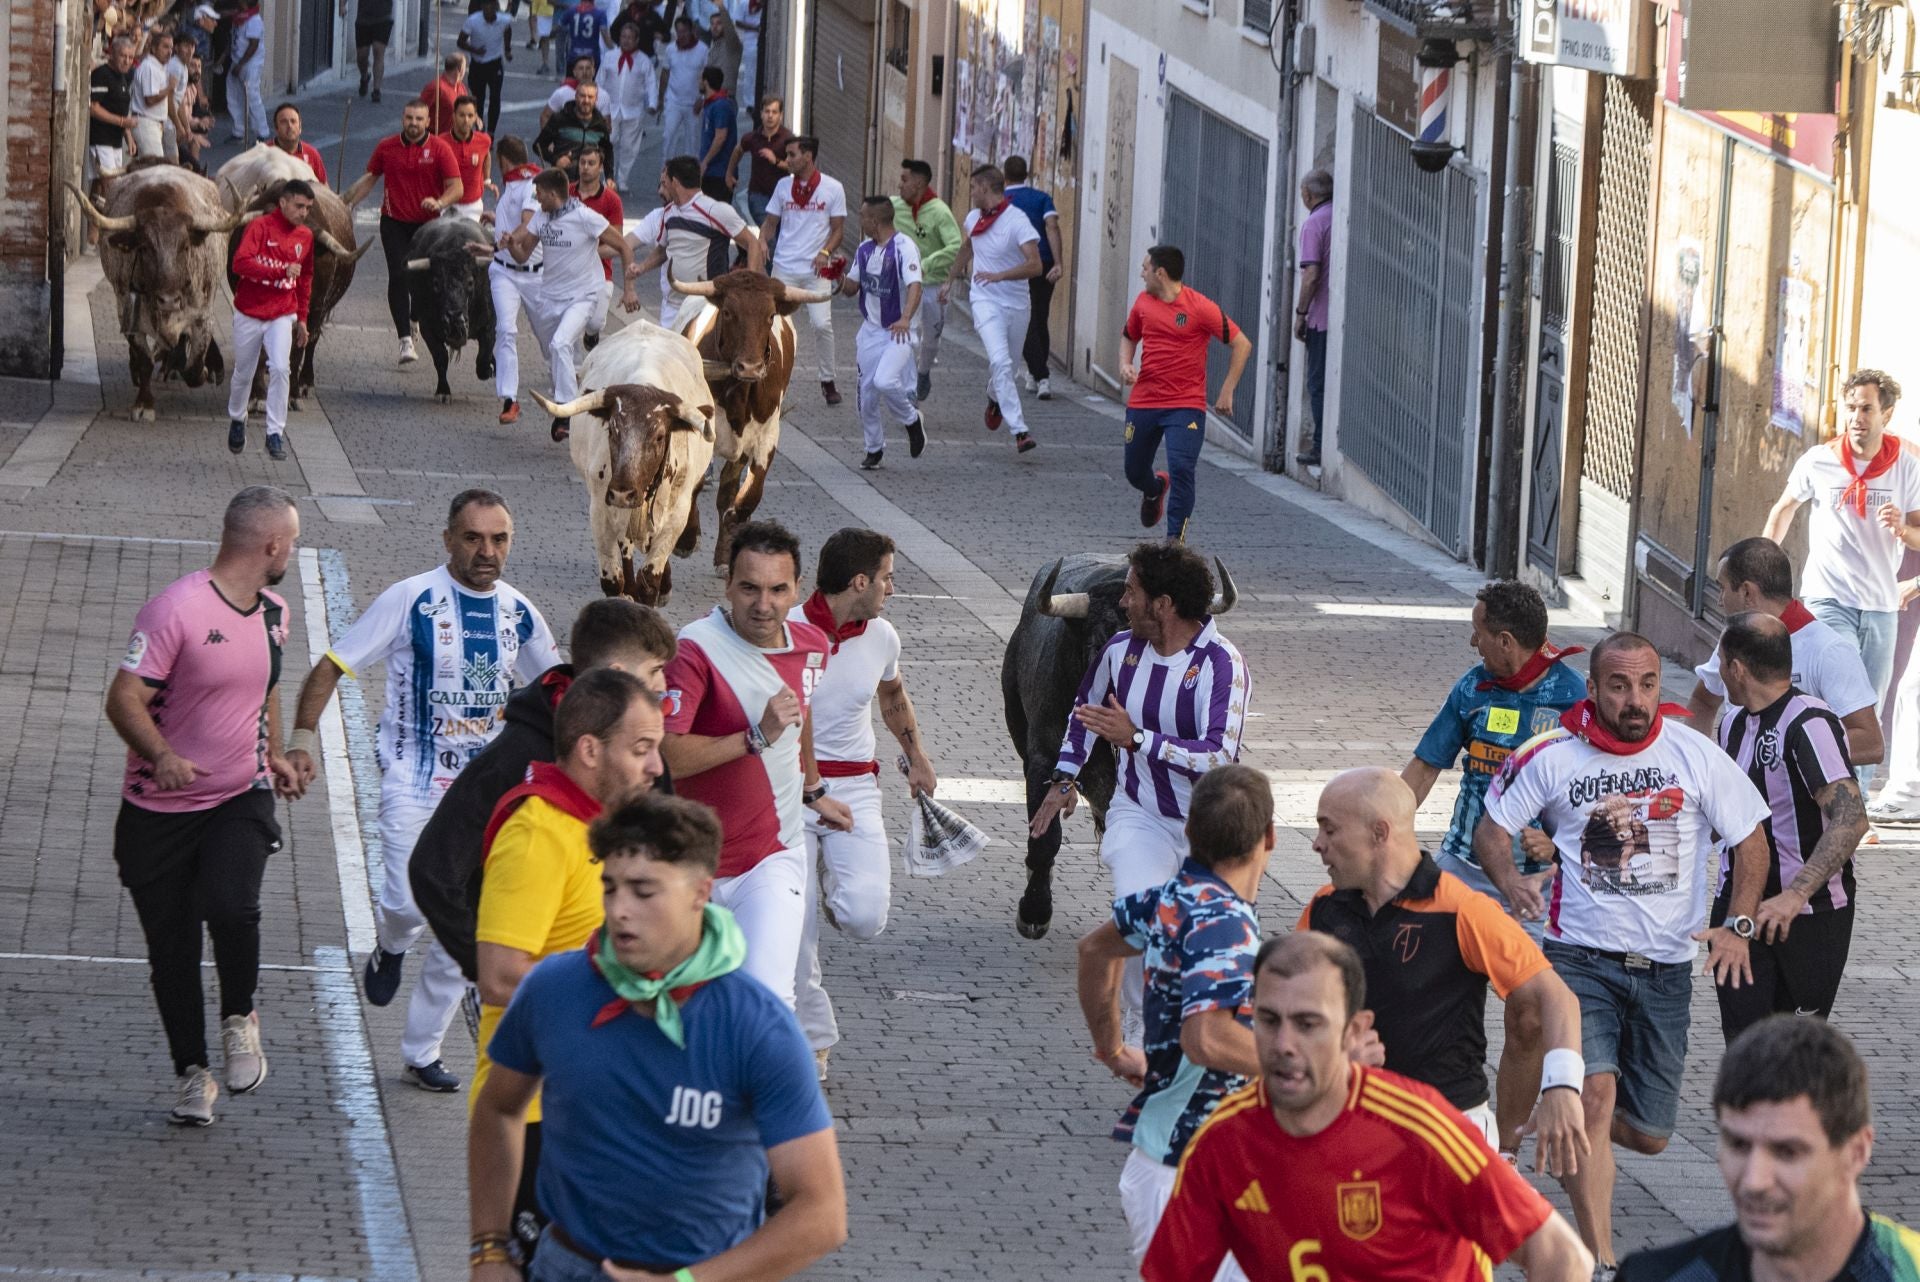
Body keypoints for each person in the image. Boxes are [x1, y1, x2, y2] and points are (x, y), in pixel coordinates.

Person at [1477, 631, 1776, 1274]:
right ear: (1593, 689)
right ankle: (1601, 1259)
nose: (1634, 700)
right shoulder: (1553, 755)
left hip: (1666, 970)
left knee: (1650, 1133)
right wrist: (1508, 882)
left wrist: (1739, 925)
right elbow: (1492, 828)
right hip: (1578, 959)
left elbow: (1752, 841)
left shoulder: (1693, 754)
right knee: (1596, 1096)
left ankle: (1559, 1119)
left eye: (1645, 685)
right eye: (1618, 686)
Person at [468, 792, 848, 1282]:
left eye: (643, 892)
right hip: (562, 1266)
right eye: (610, 888)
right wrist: (490, 1248)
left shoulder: (759, 1027)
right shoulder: (553, 988)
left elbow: (822, 1214)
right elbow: (498, 1108)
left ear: (700, 892)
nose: (620, 910)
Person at [283, 491, 562, 1092]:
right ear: (447, 540)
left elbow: (557, 689)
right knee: (412, 903)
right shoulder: (412, 598)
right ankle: (389, 945)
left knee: (474, 924)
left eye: (499, 539)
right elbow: (334, 663)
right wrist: (303, 737)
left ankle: (422, 1050)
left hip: (487, 790)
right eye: (473, 538)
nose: (487, 552)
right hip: (415, 777)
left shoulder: (518, 613)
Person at [1143, 932, 1595, 1282]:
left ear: (1353, 1031)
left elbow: (1559, 1254)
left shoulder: (1420, 1128)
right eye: (1268, 1020)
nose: (1284, 1045)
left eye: (1308, 1024)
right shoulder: (1223, 1142)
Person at [105, 486, 302, 1126]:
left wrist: (275, 753)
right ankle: (193, 1074)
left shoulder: (274, 610)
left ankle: (240, 1016)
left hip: (236, 795)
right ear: (271, 545)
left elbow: (266, 686)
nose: (292, 553)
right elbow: (124, 699)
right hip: (158, 813)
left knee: (231, 902)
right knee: (172, 952)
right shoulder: (175, 612)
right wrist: (161, 755)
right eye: (292, 542)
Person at [1301, 767, 1588, 1168]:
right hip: (1351, 1122)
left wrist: (1562, 1086)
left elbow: (1555, 997)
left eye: (1329, 830)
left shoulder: (1460, 908)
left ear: (1379, 833)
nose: (1317, 844)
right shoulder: (1322, 910)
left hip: (1448, 1136)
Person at [472, 668, 664, 1263]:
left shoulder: (597, 830)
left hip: (593, 1108)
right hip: (532, 1123)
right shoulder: (538, 834)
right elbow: (501, 974)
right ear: (588, 750)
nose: (657, 766)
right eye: (642, 749)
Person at [1029, 541, 1249, 1022]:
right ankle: (1138, 1029)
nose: (1123, 602)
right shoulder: (1118, 650)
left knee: (1199, 947)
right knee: (1139, 915)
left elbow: (1217, 756)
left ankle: (1198, 1035)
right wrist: (1064, 778)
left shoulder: (1222, 663)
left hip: (1207, 828)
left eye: (1131, 592)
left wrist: (1137, 739)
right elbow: (1084, 714)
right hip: (1139, 813)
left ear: (1163, 606)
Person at [1075, 766, 1277, 1280]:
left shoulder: (1170, 900)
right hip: (1188, 1173)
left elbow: (1095, 950)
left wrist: (1113, 1048)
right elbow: (1207, 1036)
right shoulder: (1225, 923)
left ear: (1188, 831)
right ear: (1269, 838)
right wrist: (1316, 1069)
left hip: (1179, 1165)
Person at [412, 599, 675, 988]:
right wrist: (483, 960)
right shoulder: (515, 757)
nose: (663, 685)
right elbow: (433, 870)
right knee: (440, 985)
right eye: (655, 670)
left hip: (613, 1002)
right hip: (538, 1004)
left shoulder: (649, 759)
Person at [659, 521, 855, 1007]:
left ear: (797, 592)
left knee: (767, 1002)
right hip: (691, 862)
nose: (762, 604)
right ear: (727, 585)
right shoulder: (695, 647)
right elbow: (667, 756)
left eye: (776, 589)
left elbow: (799, 712)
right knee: (683, 1006)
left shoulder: (812, 646)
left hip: (773, 856)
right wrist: (754, 738)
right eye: (748, 587)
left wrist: (814, 790)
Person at [787, 529, 937, 1077]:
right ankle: (813, 1042)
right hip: (790, 792)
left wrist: (916, 756)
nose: (891, 589)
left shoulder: (882, 636)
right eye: (888, 578)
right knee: (794, 932)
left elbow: (892, 694)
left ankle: (833, 888)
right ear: (859, 581)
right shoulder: (786, 631)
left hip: (854, 790)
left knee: (863, 916)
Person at [1618, 1017, 1920, 1281]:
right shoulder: (1654, 1275)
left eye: (1788, 1152)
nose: (1754, 1181)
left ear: (1857, 1152)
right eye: (1738, 1145)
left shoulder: (1909, 1269)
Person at [1710, 613, 1868, 1043]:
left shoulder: (1809, 722)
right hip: (1740, 911)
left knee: (1795, 1053)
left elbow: (1851, 819)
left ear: (1736, 668)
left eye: (1720, 661)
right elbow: (1719, 818)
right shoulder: (1731, 724)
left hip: (1810, 918)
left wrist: (1794, 895)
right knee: (1744, 1046)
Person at [1403, 579, 1586, 919]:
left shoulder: (1575, 698)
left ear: (1505, 642)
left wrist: (1561, 847)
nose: (1473, 641)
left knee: (1526, 974)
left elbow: (1600, 787)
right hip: (1461, 865)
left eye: (1478, 632)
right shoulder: (1473, 686)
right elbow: (1425, 767)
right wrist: (1387, 827)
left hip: (1536, 885)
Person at [1763, 368, 1920, 731]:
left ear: (1887, 414)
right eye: (1850, 408)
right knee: (1834, 698)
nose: (1856, 418)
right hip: (1828, 598)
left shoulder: (1906, 468)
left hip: (1880, 606)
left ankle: (1858, 787)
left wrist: (1902, 529)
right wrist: (1762, 567)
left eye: (1866, 409)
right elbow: (1784, 509)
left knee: (1869, 711)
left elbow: (1918, 535)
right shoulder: (1821, 459)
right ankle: (1823, 779)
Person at [1686, 537, 1883, 770]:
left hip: (1804, 804)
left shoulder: (1829, 651)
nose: (1719, 601)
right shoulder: (1735, 637)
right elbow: (1702, 701)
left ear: (1747, 592)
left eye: (1722, 588)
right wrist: (1699, 768)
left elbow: (1871, 743)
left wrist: (1785, 748)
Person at [1119, 244, 1253, 538]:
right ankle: (1154, 489)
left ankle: (1174, 540)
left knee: (1181, 468)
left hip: (1185, 405)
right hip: (1144, 402)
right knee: (1134, 470)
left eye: (1145, 268)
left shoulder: (1200, 307)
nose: (1141, 274)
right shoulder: (1142, 303)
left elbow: (1242, 344)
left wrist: (1227, 391)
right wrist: (1126, 364)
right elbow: (1129, 336)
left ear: (1161, 273)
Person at [501, 168, 640, 441]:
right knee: (553, 353)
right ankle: (571, 393)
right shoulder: (541, 218)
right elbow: (523, 255)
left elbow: (624, 247)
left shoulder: (586, 217)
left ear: (553, 194)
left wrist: (630, 289)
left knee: (560, 344)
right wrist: (509, 246)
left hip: (583, 296)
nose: (536, 200)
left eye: (539, 195)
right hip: (550, 298)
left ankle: (565, 413)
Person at [342, 100, 463, 365]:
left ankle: (415, 316)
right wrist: (347, 203)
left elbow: (457, 187)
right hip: (393, 222)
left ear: (428, 122)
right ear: (402, 118)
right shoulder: (386, 147)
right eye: (409, 117)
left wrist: (440, 202)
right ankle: (405, 340)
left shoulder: (440, 149)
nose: (413, 123)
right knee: (398, 274)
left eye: (419, 119)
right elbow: (370, 179)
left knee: (423, 281)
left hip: (427, 227)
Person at [942, 164, 1042, 453]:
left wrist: (1001, 275)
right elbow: (967, 248)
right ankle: (1020, 430)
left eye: (973, 187)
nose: (970, 191)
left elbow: (1035, 265)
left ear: (985, 188)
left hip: (1017, 303)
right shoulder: (973, 218)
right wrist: (950, 280)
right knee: (1000, 362)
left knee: (1006, 368)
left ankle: (994, 397)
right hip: (985, 301)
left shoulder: (1017, 221)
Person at [224, 179, 314, 461]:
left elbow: (305, 278)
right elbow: (240, 263)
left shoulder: (306, 237)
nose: (303, 213)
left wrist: (302, 318)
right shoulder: (258, 228)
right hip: (249, 311)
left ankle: (275, 432)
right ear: (283, 203)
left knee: (280, 369)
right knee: (244, 372)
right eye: (299, 206)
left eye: (308, 208)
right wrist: (280, 272)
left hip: (282, 313)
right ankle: (238, 417)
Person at [837, 197, 925, 469]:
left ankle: (912, 421)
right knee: (867, 396)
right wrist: (836, 275)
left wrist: (905, 318)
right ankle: (874, 448)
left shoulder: (904, 248)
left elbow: (915, 286)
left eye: (862, 216)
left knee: (886, 381)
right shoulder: (864, 250)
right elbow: (850, 289)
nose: (859, 221)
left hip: (897, 331)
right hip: (870, 333)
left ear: (874, 221)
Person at [758, 135, 846, 403]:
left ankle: (827, 380)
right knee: (771, 323)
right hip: (784, 267)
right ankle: (766, 373)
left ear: (808, 157)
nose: (787, 160)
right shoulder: (783, 187)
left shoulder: (833, 188)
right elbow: (770, 222)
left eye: (792, 155)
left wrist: (825, 252)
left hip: (815, 271)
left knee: (822, 324)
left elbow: (838, 230)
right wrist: (762, 240)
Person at [626, 155, 758, 329]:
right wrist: (641, 268)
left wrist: (751, 282)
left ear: (675, 182)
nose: (661, 189)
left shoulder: (715, 210)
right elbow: (664, 250)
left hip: (705, 305)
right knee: (668, 356)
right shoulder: (669, 213)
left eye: (665, 183)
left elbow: (751, 243)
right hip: (672, 306)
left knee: (698, 356)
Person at [892, 160, 961, 403]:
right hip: (904, 286)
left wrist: (926, 264)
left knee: (931, 339)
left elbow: (956, 246)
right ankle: (909, 389)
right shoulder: (894, 207)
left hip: (932, 283)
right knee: (906, 334)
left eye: (904, 179)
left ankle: (923, 373)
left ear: (918, 183)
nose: (899, 184)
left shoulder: (940, 212)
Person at [489, 138, 542, 427]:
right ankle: (509, 398)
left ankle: (564, 393)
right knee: (505, 330)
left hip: (534, 274)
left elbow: (528, 221)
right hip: (504, 272)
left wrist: (510, 239)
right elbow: (511, 218)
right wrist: (495, 220)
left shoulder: (530, 184)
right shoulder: (511, 184)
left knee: (549, 340)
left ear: (501, 160)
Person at [1001, 155, 1063, 400]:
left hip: (1015, 265)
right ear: (1026, 175)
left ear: (1004, 176)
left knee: (1023, 320)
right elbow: (1052, 226)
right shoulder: (1042, 198)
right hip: (1044, 262)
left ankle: (1040, 375)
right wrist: (1058, 262)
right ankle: (1034, 374)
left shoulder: (1001, 201)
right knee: (1039, 316)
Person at [1294, 167, 1333, 466]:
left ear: (1308, 195)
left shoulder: (1313, 224)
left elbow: (1311, 275)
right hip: (1342, 319)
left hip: (1321, 317)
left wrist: (1300, 314)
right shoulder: (1340, 214)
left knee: (1318, 384)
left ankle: (1320, 446)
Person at [568, 146, 623, 349]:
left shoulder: (612, 200)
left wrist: (587, 252)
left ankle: (592, 334)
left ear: (600, 167)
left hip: (600, 273)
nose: (585, 168)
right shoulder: (566, 193)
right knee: (567, 328)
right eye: (582, 162)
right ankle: (570, 373)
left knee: (595, 322)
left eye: (591, 163)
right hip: (569, 273)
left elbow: (618, 246)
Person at [598, 22, 657, 193]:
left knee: (629, 147)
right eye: (624, 37)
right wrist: (596, 102)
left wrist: (652, 103)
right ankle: (607, 178)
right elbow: (600, 80)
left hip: (633, 109)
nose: (626, 41)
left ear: (637, 40)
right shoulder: (610, 56)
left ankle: (622, 180)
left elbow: (651, 83)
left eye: (630, 38)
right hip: (610, 108)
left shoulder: (643, 61)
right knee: (608, 142)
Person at [87, 38, 137, 221]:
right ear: (112, 54)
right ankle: (109, 227)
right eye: (123, 56)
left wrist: (129, 137)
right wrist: (123, 121)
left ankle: (93, 231)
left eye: (131, 57)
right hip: (100, 139)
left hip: (115, 141)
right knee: (111, 187)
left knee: (100, 188)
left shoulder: (124, 76)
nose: (127, 61)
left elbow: (121, 111)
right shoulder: (102, 74)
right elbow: (93, 108)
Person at [729, 96, 792, 223]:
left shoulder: (788, 139)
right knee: (769, 237)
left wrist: (776, 161)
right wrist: (729, 173)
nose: (770, 116)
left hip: (781, 196)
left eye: (774, 112)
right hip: (757, 195)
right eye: (767, 111)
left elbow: (794, 167)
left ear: (781, 115)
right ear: (761, 114)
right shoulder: (752, 138)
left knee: (779, 237)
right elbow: (738, 150)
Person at [532, 80, 615, 174]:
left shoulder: (600, 124)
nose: (586, 100)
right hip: (563, 180)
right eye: (582, 96)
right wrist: (556, 160)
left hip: (588, 182)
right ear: (575, 96)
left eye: (590, 97)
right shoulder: (560, 119)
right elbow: (538, 145)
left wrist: (609, 177)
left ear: (596, 100)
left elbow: (607, 151)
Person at [656, 16, 707, 161]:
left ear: (692, 31)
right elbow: (665, 73)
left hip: (694, 103)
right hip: (673, 101)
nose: (681, 35)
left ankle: (690, 178)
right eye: (678, 32)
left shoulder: (703, 50)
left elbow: (706, 76)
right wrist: (661, 99)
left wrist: (702, 98)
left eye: (684, 31)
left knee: (692, 142)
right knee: (668, 137)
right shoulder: (671, 49)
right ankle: (665, 176)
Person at [460, 0, 513, 134]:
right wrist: (474, 50)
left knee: (495, 97)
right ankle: (479, 129)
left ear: (496, 7)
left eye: (491, 6)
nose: (488, 9)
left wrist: (507, 50)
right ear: (482, 7)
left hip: (495, 63)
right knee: (478, 98)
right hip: (478, 64)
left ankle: (491, 132)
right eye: (486, 6)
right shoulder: (473, 21)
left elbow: (507, 31)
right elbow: (460, 41)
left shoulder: (504, 20)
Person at [130, 28, 179, 163]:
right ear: (153, 48)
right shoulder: (149, 67)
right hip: (146, 123)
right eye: (165, 47)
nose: (169, 52)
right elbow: (150, 99)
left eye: (171, 48)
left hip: (155, 124)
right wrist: (170, 87)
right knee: (155, 167)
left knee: (149, 167)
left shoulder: (160, 67)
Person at [444, 96, 494, 221]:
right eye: (461, 115)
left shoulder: (484, 140)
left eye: (470, 116)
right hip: (446, 205)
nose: (466, 120)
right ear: (454, 116)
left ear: (476, 117)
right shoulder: (440, 143)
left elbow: (487, 155)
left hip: (473, 207)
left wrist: (487, 180)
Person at [225, 0, 265, 144]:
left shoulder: (254, 20)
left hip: (249, 64)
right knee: (234, 96)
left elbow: (253, 44)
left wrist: (241, 64)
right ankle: (239, 130)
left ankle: (262, 132)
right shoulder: (240, 17)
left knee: (252, 97)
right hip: (237, 61)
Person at [695, 66, 735, 202]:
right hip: (712, 172)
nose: (698, 82)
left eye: (700, 79)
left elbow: (720, 137)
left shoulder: (720, 106)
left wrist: (705, 162)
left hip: (720, 172)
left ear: (705, 82)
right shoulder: (710, 105)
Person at [342, 0, 392, 101]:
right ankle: (364, 77)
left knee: (378, 52)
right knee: (362, 55)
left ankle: (376, 90)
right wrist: (342, 5)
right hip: (363, 20)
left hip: (383, 19)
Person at [267, 101, 327, 184]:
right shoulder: (265, 153)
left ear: (300, 127)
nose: (289, 126)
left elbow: (324, 186)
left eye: (293, 121)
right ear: (276, 128)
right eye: (284, 122)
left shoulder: (311, 154)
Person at [541, 55, 598, 127]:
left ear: (593, 71)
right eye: (581, 68)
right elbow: (545, 116)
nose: (585, 72)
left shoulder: (603, 95)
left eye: (588, 68)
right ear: (574, 72)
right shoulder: (562, 93)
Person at [557, 0, 610, 77]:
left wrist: (549, 35)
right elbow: (604, 33)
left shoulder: (571, 11)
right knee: (591, 86)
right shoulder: (600, 13)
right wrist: (612, 48)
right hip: (592, 56)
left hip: (574, 55)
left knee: (570, 86)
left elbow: (559, 27)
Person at [729, 0, 761, 120]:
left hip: (762, 38)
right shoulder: (744, 4)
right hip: (750, 40)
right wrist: (754, 28)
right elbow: (737, 22)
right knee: (750, 71)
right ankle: (749, 102)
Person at [422, 53, 468, 134]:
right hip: (437, 137)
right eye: (465, 67)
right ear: (460, 69)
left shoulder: (461, 87)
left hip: (455, 138)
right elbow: (419, 111)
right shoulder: (436, 87)